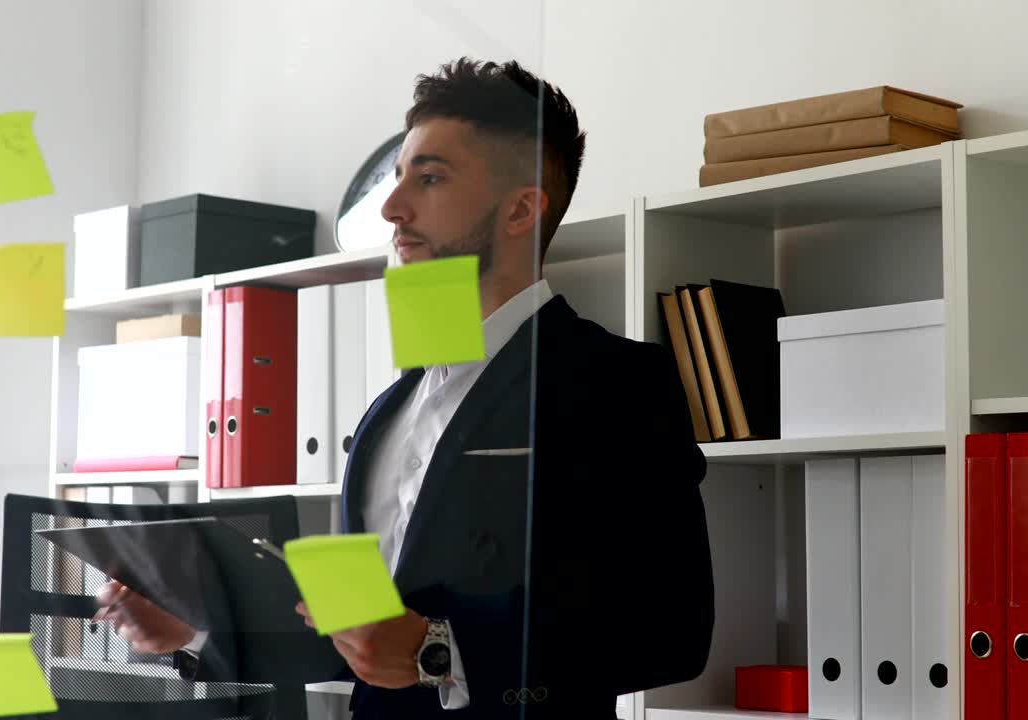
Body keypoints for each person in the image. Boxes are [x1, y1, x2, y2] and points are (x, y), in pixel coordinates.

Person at [96, 57, 714, 719]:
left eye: (430, 178)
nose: (391, 208)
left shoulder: (617, 383)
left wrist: (438, 651)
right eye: (396, 180)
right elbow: (353, 644)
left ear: (520, 210)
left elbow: (671, 635)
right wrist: (195, 628)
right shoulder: (385, 413)